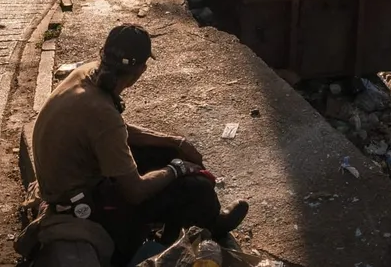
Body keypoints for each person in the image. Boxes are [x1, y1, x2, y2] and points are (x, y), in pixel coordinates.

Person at [30, 25, 248, 265]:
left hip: (69, 178)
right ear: (141, 71)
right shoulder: (102, 114)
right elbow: (135, 192)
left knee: (167, 151)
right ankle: (212, 225)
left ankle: (177, 228)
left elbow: (117, 131)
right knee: (194, 188)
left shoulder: (87, 74)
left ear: (103, 53)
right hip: (83, 202)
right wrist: (178, 168)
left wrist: (176, 142)